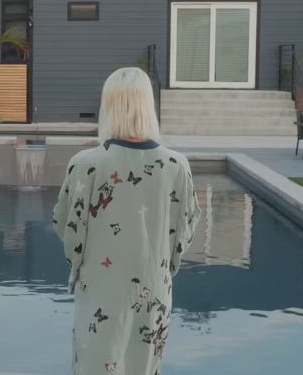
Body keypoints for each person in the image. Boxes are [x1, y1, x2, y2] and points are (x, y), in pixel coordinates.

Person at [52, 67, 201, 375]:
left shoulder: (86, 165)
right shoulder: (177, 165)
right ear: (148, 105)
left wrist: (81, 263)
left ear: (109, 106)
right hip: (154, 291)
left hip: (99, 291)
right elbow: (186, 227)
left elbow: (66, 224)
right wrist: (163, 266)